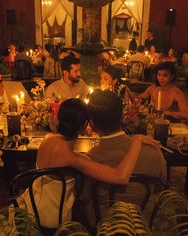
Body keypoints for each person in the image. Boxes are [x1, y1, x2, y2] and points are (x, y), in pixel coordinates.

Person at [12, 98, 160, 228]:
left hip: (29, 207)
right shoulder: (75, 159)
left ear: (57, 119)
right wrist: (137, 140)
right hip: (53, 217)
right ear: (85, 126)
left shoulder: (47, 141)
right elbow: (121, 177)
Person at [82, 89, 166, 222]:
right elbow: (161, 187)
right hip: (141, 222)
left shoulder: (91, 158)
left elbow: (85, 196)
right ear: (122, 115)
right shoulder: (153, 149)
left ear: (91, 124)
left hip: (106, 224)